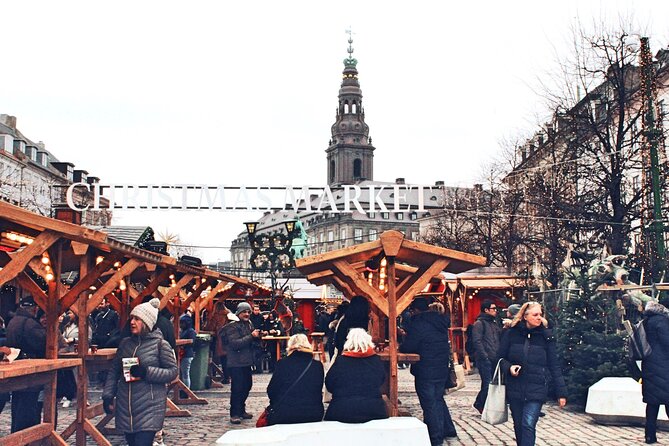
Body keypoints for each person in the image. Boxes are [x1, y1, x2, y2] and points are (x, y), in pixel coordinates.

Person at [102, 298, 178, 446]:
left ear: (147, 322)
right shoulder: (125, 344)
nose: (132, 322)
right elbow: (114, 371)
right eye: (132, 318)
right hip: (126, 407)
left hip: (149, 406)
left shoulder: (160, 345)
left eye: (137, 319)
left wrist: (146, 372)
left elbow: (172, 372)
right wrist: (108, 396)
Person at [498, 301, 567, 446]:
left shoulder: (546, 337)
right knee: (519, 425)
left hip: (537, 387)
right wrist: (509, 367)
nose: (539, 318)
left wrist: (561, 393)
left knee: (528, 423)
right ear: (525, 316)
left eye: (540, 315)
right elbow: (499, 358)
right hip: (515, 387)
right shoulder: (511, 334)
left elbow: (554, 364)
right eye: (535, 315)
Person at [400, 297, 457, 445]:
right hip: (441, 366)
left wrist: (403, 342)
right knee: (437, 399)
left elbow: (410, 346)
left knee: (429, 402)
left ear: (416, 310)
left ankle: (435, 437)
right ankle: (446, 430)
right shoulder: (439, 321)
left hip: (425, 367)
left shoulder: (418, 323)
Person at [324, 328, 387, 423]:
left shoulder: (341, 361)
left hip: (342, 409)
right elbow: (381, 380)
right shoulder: (376, 360)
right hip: (373, 409)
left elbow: (329, 384)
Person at [5, 296, 47, 432]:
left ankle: (17, 436)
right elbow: (43, 344)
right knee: (28, 411)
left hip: (18, 368)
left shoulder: (14, 321)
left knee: (18, 408)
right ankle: (25, 440)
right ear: (34, 308)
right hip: (30, 373)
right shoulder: (29, 324)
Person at [266, 333, 324, 425]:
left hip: (285, 412)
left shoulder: (282, 364)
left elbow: (272, 390)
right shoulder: (317, 365)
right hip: (312, 413)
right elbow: (318, 389)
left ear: (290, 346)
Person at [222, 302, 261, 424]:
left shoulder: (248, 324)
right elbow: (234, 343)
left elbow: (250, 340)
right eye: (245, 312)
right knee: (237, 387)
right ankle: (234, 413)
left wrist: (258, 336)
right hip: (236, 362)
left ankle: (241, 409)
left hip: (246, 361)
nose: (247, 314)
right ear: (239, 313)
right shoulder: (231, 326)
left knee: (247, 385)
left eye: (249, 312)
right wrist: (251, 336)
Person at [640, 298, 669, 444]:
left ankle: (649, 436)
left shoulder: (647, 320)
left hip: (649, 365)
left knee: (652, 404)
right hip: (664, 367)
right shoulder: (663, 321)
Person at [471, 300, 502, 414]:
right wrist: (484, 356)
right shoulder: (479, 323)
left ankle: (482, 404)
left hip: (494, 358)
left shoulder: (493, 323)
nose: (495, 311)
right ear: (486, 310)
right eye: (493, 308)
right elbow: (477, 341)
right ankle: (480, 404)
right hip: (485, 359)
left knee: (492, 384)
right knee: (487, 384)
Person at [179, 314, 197, 389]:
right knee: (184, 373)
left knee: (185, 374)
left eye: (182, 323)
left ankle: (186, 391)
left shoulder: (191, 331)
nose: (181, 325)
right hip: (183, 354)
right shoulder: (184, 331)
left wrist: (183, 344)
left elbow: (192, 342)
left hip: (187, 354)